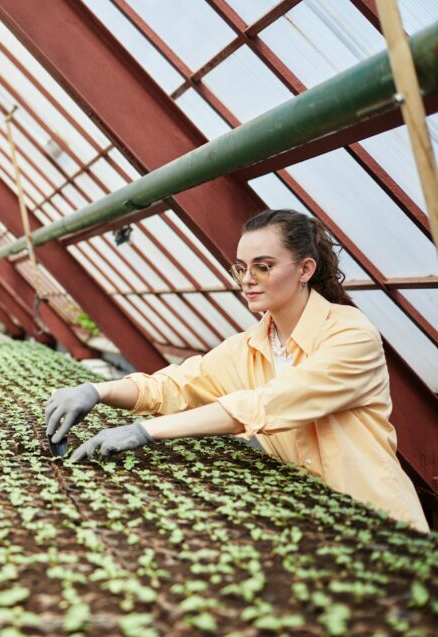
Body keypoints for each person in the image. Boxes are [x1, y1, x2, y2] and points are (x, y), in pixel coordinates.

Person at [45, 209, 428, 533]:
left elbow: (270, 403)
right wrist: (98, 390)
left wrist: (146, 431)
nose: (248, 279)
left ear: (305, 269)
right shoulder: (248, 346)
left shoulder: (350, 334)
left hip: (380, 519)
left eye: (264, 267)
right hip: (313, 519)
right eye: (241, 268)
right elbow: (175, 385)